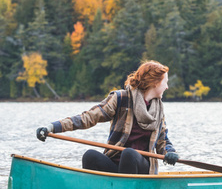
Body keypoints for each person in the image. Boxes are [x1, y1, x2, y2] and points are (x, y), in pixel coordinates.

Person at [36, 60, 179, 175]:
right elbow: (88, 117)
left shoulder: (159, 110)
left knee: (129, 154)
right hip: (115, 166)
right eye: (165, 82)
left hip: (141, 170)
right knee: (90, 156)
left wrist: (170, 153)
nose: (167, 87)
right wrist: (52, 127)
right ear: (155, 83)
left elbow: (163, 141)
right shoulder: (121, 98)